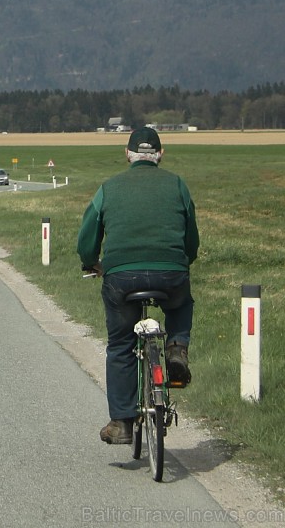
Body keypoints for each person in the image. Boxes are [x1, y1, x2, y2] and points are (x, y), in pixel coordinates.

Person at [77, 126, 199, 445]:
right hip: (170, 273)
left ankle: (121, 422)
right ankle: (176, 348)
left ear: (127, 154)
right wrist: (182, 260)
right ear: (160, 154)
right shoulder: (177, 185)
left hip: (121, 277)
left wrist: (91, 261)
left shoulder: (109, 187)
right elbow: (191, 238)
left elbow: (88, 235)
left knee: (120, 345)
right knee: (181, 302)